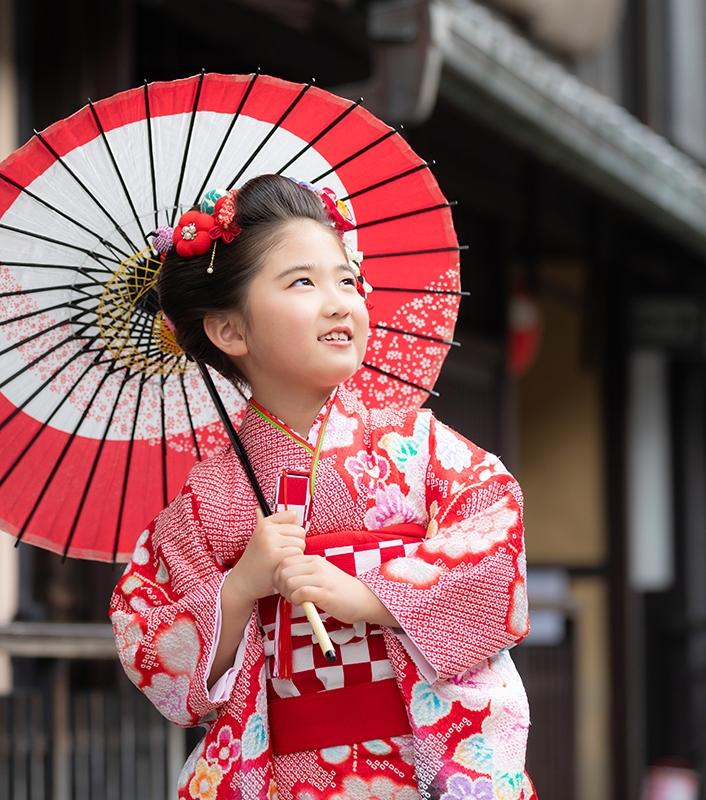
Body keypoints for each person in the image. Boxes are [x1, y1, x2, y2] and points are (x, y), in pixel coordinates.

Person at [110, 174, 535, 800]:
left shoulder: (420, 448)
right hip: (289, 772)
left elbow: (495, 536)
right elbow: (146, 629)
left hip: (421, 762)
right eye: (303, 282)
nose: (340, 302)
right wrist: (240, 584)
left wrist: (372, 598)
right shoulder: (214, 498)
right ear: (229, 331)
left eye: (345, 278)